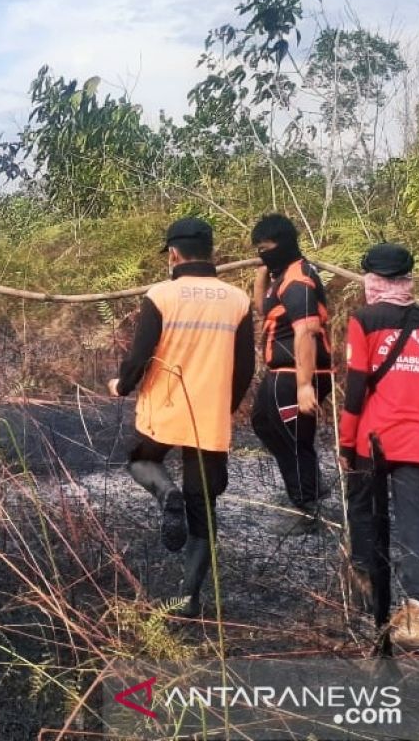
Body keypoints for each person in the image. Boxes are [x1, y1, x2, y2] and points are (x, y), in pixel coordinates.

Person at [108, 217, 255, 619]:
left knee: (141, 458)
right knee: (203, 505)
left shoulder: (161, 294)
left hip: (165, 408)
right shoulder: (238, 299)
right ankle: (189, 598)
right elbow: (245, 367)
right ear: (211, 251)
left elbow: (140, 354)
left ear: (173, 253)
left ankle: (165, 494)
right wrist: (227, 407)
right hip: (210, 416)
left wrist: (122, 385)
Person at [339, 243, 419, 653]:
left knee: (364, 513)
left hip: (374, 439)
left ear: (371, 279)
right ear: (408, 277)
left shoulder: (364, 320)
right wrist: (417, 404)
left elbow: (355, 389)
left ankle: (372, 596)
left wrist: (346, 441)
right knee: (412, 530)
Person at [249, 214, 334, 535]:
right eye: (258, 249)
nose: (262, 253)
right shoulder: (280, 276)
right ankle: (307, 482)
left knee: (295, 439)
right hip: (281, 373)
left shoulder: (298, 280)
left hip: (298, 373)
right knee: (263, 423)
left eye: (266, 248)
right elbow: (265, 311)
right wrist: (261, 275)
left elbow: (307, 332)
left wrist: (303, 386)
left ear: (284, 243)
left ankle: (308, 510)